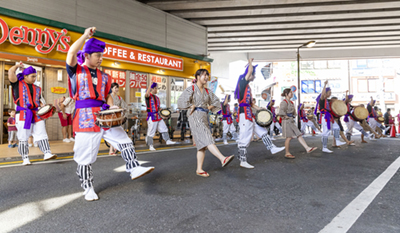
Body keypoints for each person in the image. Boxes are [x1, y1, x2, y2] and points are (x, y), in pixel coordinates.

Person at [66, 27, 154, 201]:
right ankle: (88, 187)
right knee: (85, 156)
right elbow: (70, 52)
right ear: (87, 55)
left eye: (102, 55)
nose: (101, 58)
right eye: (97, 55)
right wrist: (85, 36)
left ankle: (133, 167)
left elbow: (107, 96)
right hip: (85, 118)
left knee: (124, 140)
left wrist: (112, 107)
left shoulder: (105, 76)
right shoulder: (76, 71)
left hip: (104, 115)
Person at [177, 69, 234, 177]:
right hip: (194, 116)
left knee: (202, 146)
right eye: (204, 75)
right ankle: (222, 158)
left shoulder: (208, 91)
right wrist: (191, 106)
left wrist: (209, 107)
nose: (206, 77)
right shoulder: (191, 88)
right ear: (198, 77)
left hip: (204, 116)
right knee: (207, 138)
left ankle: (199, 169)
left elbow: (217, 102)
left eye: (207, 75)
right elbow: (180, 101)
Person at [234, 58, 285, 169]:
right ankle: (242, 161)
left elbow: (251, 105)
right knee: (245, 137)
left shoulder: (247, 87)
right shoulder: (243, 82)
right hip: (244, 115)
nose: (255, 76)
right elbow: (249, 72)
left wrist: (262, 110)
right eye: (254, 74)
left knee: (261, 131)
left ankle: (272, 147)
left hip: (248, 114)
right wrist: (250, 63)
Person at [8, 63, 57, 165]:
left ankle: (47, 153)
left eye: (36, 76)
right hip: (22, 113)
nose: (35, 78)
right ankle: (25, 157)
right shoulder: (17, 83)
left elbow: (38, 100)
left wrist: (43, 106)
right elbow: (10, 73)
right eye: (33, 76)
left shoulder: (37, 88)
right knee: (23, 137)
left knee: (42, 133)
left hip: (36, 113)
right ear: (25, 76)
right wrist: (17, 66)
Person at [278, 89, 317, 159]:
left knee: (299, 134)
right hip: (286, 121)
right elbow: (280, 111)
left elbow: (294, 113)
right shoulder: (284, 102)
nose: (292, 94)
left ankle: (307, 148)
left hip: (291, 121)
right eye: (290, 93)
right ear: (286, 94)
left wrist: (293, 115)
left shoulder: (291, 102)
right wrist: (285, 116)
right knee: (289, 137)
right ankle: (287, 153)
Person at [315, 80, 345, 153]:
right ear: (325, 93)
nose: (330, 94)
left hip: (329, 116)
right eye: (329, 92)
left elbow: (336, 101)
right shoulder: (322, 99)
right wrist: (325, 85)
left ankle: (337, 141)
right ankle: (324, 147)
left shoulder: (327, 100)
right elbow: (322, 94)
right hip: (325, 117)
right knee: (326, 132)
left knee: (336, 127)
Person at [145, 82, 176, 151]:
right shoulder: (148, 96)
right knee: (151, 131)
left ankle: (167, 140)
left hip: (157, 116)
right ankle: (150, 145)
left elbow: (158, 108)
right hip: (151, 116)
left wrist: (162, 112)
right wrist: (150, 85)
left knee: (164, 128)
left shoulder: (157, 98)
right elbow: (146, 94)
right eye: (155, 88)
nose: (156, 90)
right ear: (152, 89)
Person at [109, 82, 128, 155]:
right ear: (111, 89)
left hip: (117, 118)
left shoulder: (119, 98)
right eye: (115, 88)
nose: (117, 89)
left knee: (116, 134)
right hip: (110, 117)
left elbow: (125, 106)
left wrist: (122, 109)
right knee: (112, 134)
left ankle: (113, 149)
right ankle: (111, 150)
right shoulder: (108, 97)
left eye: (117, 88)